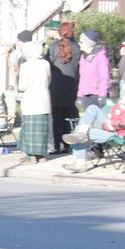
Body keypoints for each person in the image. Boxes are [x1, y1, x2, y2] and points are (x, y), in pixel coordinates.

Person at [62, 78, 125, 173]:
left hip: (122, 134)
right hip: (112, 125)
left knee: (81, 132)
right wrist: (109, 118)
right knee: (92, 108)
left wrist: (108, 124)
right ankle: (80, 133)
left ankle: (80, 164)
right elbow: (115, 113)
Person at [46, 22, 80, 155]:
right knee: (68, 117)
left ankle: (55, 145)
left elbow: (48, 64)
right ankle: (67, 145)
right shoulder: (77, 47)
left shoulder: (54, 47)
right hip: (71, 87)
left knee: (55, 118)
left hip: (56, 85)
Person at [16, 40, 51, 162]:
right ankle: (41, 156)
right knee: (41, 131)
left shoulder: (25, 66)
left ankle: (31, 156)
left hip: (31, 99)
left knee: (30, 130)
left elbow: (22, 86)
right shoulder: (46, 64)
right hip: (44, 99)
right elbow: (49, 79)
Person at [77, 30, 110, 111]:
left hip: (96, 96)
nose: (79, 44)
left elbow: (104, 77)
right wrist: (80, 96)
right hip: (85, 96)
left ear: (89, 44)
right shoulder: (83, 57)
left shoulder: (100, 57)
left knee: (96, 122)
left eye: (81, 42)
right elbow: (82, 78)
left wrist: (102, 95)